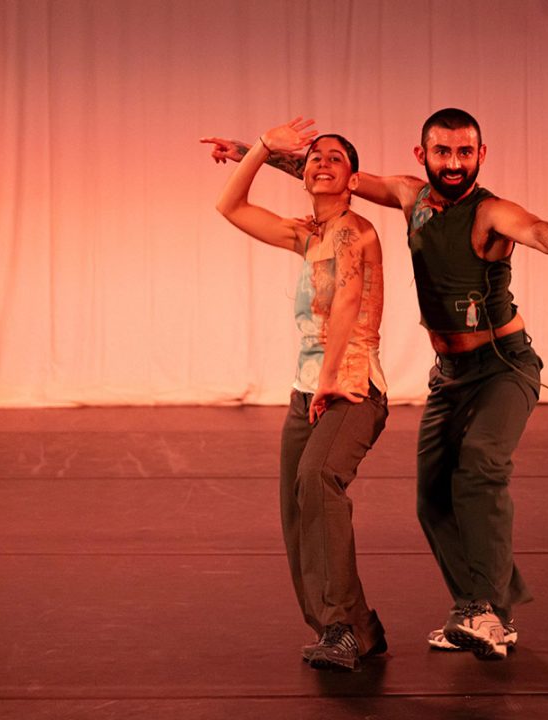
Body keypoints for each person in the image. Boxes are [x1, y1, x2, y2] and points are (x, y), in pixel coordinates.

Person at [202, 108, 548, 660]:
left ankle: (488, 612)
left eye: (464, 153)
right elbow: (333, 175)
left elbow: (540, 231)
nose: (453, 163)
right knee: (432, 500)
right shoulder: (411, 198)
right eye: (443, 152)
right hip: (449, 376)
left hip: (504, 366)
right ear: (421, 155)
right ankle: (474, 607)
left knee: (479, 465)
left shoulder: (490, 211)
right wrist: (248, 149)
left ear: (481, 156)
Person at [212, 118, 388, 671]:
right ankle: (354, 627)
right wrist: (260, 146)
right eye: (313, 156)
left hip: (352, 386)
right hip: (306, 389)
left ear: (352, 178)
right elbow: (230, 206)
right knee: (296, 506)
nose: (321, 161)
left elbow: (348, 302)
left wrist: (332, 377)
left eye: (335, 157)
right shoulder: (307, 234)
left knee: (318, 480)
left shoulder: (356, 233)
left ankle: (341, 627)